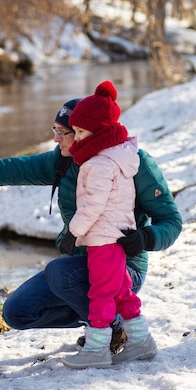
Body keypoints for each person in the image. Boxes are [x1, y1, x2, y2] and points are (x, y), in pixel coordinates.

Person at [0, 89, 182, 363]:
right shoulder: (64, 161)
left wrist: (146, 237)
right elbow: (5, 169)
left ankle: (112, 328)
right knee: (17, 312)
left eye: (64, 132)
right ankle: (101, 320)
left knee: (58, 273)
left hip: (122, 265)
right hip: (84, 262)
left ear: (89, 132)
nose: (56, 139)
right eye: (54, 130)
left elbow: (171, 221)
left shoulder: (132, 163)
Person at [60, 81, 156, 369]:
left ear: (99, 130)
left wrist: (73, 233)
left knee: (100, 293)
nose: (75, 138)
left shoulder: (99, 164)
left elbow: (93, 205)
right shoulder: (117, 157)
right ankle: (141, 342)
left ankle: (97, 349)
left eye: (79, 131)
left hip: (103, 237)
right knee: (121, 292)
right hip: (116, 234)